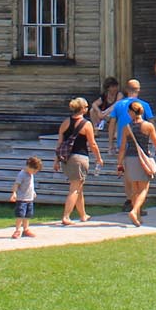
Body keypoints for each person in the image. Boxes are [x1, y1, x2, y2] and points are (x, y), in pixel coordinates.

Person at [55, 96, 102, 225]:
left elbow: (59, 143)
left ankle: (83, 215)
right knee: (75, 188)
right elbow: (92, 144)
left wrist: (56, 160)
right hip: (80, 158)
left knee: (79, 187)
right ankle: (66, 216)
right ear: (82, 109)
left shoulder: (65, 122)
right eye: (86, 107)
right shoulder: (86, 124)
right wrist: (99, 158)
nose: (87, 109)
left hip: (66, 159)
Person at [115, 100, 156, 227]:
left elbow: (122, 148)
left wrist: (119, 164)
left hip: (130, 159)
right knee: (144, 188)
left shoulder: (126, 128)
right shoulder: (148, 126)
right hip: (143, 159)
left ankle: (137, 217)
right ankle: (135, 211)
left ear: (131, 112)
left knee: (135, 189)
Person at [107, 78, 156, 151]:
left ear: (126, 90)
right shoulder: (144, 105)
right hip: (141, 146)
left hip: (122, 146)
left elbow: (112, 124)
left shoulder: (118, 105)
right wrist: (153, 141)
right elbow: (151, 123)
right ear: (139, 90)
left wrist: (111, 144)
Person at [12, 156, 42, 237]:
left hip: (29, 199)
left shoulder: (31, 174)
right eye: (34, 170)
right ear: (29, 166)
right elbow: (16, 184)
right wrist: (14, 193)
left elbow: (30, 185)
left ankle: (26, 229)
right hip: (22, 199)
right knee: (20, 215)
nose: (35, 172)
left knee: (27, 215)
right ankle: (17, 230)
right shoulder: (22, 174)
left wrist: (33, 192)